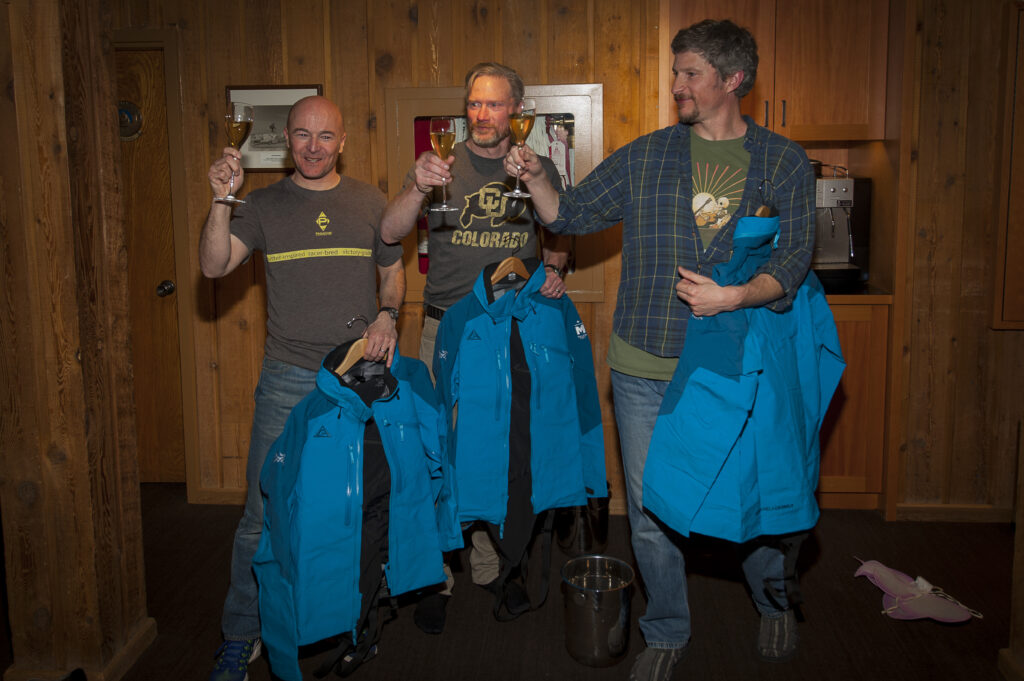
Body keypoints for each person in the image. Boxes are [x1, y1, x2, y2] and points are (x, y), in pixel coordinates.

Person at [508, 19, 816, 681]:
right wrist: (536, 175)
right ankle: (668, 628)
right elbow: (570, 213)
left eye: (691, 73)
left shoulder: (783, 161)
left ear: (732, 80)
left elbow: (793, 261)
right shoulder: (646, 155)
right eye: (675, 72)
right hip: (646, 361)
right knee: (651, 511)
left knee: (752, 499)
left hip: (737, 363)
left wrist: (733, 298)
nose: (676, 85)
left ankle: (773, 600)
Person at [202, 95, 405, 681]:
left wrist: (388, 315)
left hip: (357, 380)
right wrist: (221, 200)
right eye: (302, 135)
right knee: (260, 516)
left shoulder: (370, 202)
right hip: (287, 381)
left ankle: (348, 617)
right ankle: (242, 635)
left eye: (326, 136)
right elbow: (215, 266)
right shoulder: (261, 204)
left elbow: (392, 273)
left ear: (343, 141)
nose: (313, 147)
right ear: (286, 139)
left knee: (354, 507)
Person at [379, 62, 570, 633]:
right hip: (448, 327)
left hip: (515, 329)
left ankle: (500, 563)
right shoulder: (439, 165)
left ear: (516, 109)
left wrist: (556, 266)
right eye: (473, 104)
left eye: (494, 104)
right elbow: (389, 233)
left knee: (507, 450)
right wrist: (416, 182)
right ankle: (439, 572)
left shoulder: (537, 167)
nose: (482, 115)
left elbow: (562, 228)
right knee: (442, 450)